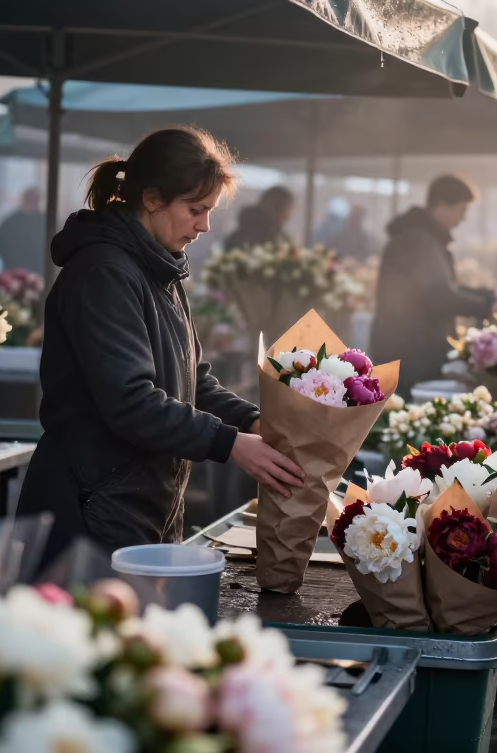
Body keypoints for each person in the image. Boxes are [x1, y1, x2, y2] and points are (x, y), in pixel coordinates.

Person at [16, 127, 304, 562]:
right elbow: (131, 401)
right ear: (151, 199)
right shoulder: (103, 273)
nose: (204, 226)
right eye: (195, 209)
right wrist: (230, 444)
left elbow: (194, 381)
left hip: (139, 503)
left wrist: (255, 423)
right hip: (91, 507)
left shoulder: (158, 269)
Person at [371, 174, 495, 395]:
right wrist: (488, 307)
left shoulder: (426, 238)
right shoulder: (417, 241)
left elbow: (446, 287)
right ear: (440, 205)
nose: (464, 218)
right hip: (410, 350)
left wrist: (488, 297)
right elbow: (439, 295)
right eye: (461, 208)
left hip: (413, 347)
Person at [0, 186, 45, 273]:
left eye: (35, 199)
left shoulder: (45, 222)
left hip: (40, 272)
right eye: (30, 199)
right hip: (12, 273)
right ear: (24, 200)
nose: (32, 202)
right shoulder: (10, 222)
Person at [223, 185, 294, 251]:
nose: (288, 217)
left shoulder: (239, 234)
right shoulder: (278, 240)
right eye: (286, 210)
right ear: (275, 208)